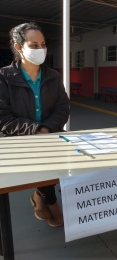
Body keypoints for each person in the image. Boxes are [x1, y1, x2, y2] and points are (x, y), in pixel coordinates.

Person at [0, 22, 70, 227]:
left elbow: (62, 108)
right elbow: (2, 117)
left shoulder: (53, 76)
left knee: (64, 162)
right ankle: (52, 202)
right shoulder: (3, 77)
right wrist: (34, 130)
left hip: (50, 134)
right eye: (34, 45)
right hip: (17, 139)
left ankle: (39, 195)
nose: (41, 49)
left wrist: (46, 129)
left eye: (43, 44)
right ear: (19, 47)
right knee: (42, 161)